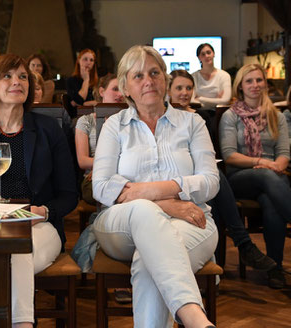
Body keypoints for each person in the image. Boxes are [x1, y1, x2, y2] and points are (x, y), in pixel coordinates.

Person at [93, 45, 219, 328]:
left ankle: (191, 317)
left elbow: (211, 182)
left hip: (193, 221)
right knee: (144, 214)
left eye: (154, 72)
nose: (148, 81)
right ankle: (195, 318)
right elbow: (101, 188)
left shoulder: (192, 123)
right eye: (138, 76)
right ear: (125, 87)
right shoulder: (114, 126)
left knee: (149, 262)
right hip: (120, 225)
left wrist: (147, 191)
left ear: (165, 79)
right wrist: (166, 203)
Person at [0, 54, 78, 327]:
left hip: (39, 227)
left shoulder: (49, 130)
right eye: (8, 76)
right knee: (2, 253)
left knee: (15, 249)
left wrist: (44, 211)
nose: (17, 82)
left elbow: (70, 194)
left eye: (23, 76)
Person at [168, 69, 276, 274]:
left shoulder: (199, 117)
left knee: (214, 184)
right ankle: (243, 243)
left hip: (199, 173)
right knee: (215, 177)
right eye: (179, 88)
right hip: (174, 174)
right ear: (168, 90)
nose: (184, 92)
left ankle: (216, 271)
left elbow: (206, 153)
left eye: (189, 88)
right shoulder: (163, 116)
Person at [219, 63, 291, 289]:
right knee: (270, 178)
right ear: (240, 86)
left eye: (259, 80)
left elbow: (284, 154)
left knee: (271, 202)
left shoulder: (276, 116)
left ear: (265, 84)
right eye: (249, 81)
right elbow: (230, 156)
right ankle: (275, 268)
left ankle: (274, 268)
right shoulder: (230, 116)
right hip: (241, 178)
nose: (255, 85)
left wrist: (276, 165)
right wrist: (262, 163)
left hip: (273, 176)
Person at [74, 73, 124, 204]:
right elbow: (83, 161)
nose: (120, 94)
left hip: (124, 174)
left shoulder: (129, 119)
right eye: (115, 89)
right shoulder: (86, 121)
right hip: (94, 175)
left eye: (122, 89)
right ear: (102, 91)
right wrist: (102, 168)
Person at [192, 43, 231, 109]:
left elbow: (226, 100)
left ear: (214, 54)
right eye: (203, 54)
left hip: (218, 113)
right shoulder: (193, 77)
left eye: (208, 52)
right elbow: (191, 101)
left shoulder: (224, 76)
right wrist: (217, 101)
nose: (206, 56)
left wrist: (201, 99)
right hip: (198, 113)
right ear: (199, 57)